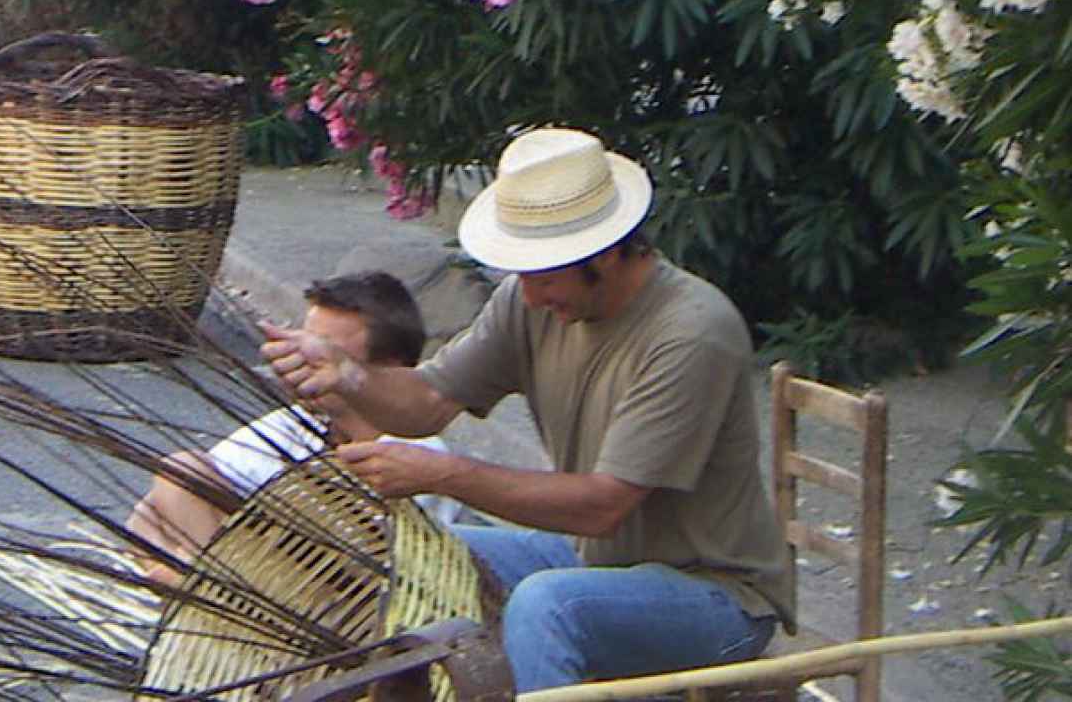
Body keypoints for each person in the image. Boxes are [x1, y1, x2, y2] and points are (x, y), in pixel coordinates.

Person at [262, 127, 792, 692]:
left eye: (544, 275)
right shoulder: (528, 299)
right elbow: (428, 402)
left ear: (607, 253)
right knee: (418, 556)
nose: (531, 296)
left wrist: (445, 475)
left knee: (549, 606)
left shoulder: (690, 333)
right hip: (603, 561)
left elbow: (602, 506)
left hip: (719, 597)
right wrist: (348, 375)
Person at [128, 271, 464, 586]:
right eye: (301, 343)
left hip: (341, 599)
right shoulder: (296, 423)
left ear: (387, 371)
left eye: (325, 353)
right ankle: (209, 587)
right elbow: (156, 508)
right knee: (183, 472)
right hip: (258, 575)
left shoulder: (417, 456)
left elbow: (381, 573)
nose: (298, 360)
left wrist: (182, 562)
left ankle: (205, 587)